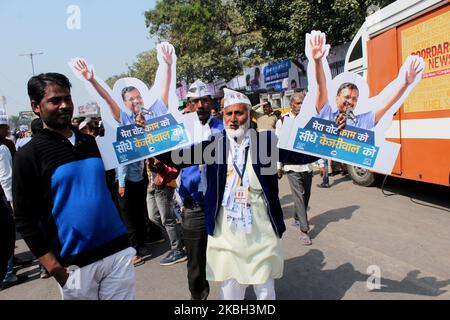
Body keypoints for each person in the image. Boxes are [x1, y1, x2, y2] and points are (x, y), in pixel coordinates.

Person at [159, 88, 313, 300]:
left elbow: (299, 156)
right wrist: (152, 139)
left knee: (265, 288)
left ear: (249, 115)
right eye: (228, 114)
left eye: (238, 113)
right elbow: (176, 158)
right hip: (227, 231)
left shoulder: (265, 144)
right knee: (230, 289)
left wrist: (332, 140)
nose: (233, 119)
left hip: (261, 227)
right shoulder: (214, 147)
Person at [13, 73, 135, 300]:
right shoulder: (28, 155)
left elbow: (107, 190)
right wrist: (54, 267)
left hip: (117, 252)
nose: (64, 106)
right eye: (55, 100)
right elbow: (23, 217)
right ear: (35, 106)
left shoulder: (90, 143)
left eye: (67, 99)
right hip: (74, 265)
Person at [172, 79, 223, 300]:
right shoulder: (179, 131)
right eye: (195, 101)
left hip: (222, 205)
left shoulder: (224, 127)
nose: (200, 105)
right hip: (193, 207)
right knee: (195, 264)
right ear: (189, 105)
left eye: (204, 100)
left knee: (233, 256)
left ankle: (235, 297)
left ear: (211, 102)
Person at [311, 32, 423, 130]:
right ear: (337, 97)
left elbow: (385, 105)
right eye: (347, 97)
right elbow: (321, 86)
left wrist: (404, 84)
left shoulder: (360, 122)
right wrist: (317, 61)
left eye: (354, 99)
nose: (350, 101)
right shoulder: (325, 112)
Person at [73, 44, 173, 126]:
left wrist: (168, 66)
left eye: (138, 97)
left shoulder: (156, 111)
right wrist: (92, 80)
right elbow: (108, 99)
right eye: (131, 99)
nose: (136, 101)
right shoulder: (125, 120)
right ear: (124, 103)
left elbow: (165, 89)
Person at [276, 91, 318, 245]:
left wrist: (320, 164)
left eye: (303, 103)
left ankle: (296, 217)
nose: (300, 106)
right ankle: (304, 230)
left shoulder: (309, 120)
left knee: (306, 195)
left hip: (307, 165)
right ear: (291, 104)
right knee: (299, 196)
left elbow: (316, 144)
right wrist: (278, 166)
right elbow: (278, 145)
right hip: (291, 166)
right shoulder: (283, 120)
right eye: (298, 103)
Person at [146, 158, 186, 266]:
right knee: (153, 216)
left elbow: (173, 165)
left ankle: (178, 250)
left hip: (163, 185)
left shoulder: (160, 144)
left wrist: (159, 165)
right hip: (151, 185)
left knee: (167, 220)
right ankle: (180, 237)